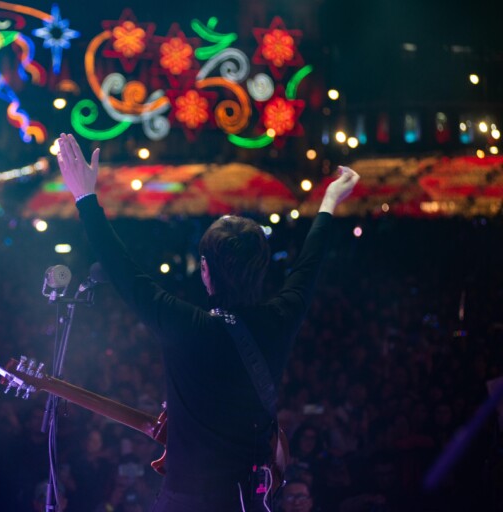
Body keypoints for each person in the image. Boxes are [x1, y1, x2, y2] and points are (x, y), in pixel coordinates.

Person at [56, 133, 359, 512]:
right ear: (263, 269)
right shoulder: (281, 319)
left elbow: (122, 269)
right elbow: (310, 263)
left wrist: (84, 195)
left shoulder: (183, 325)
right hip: (248, 501)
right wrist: (329, 201)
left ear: (204, 271)